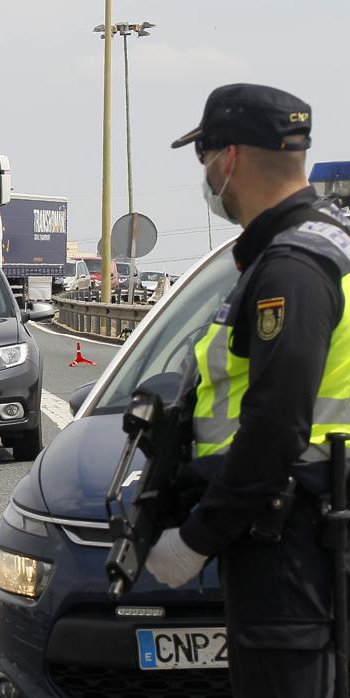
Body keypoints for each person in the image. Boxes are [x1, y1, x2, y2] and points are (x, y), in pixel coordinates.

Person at [146, 84, 350, 697]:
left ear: (228, 157)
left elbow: (276, 423)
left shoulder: (292, 266)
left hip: (290, 539)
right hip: (308, 525)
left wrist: (198, 537)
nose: (206, 174)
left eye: (204, 156)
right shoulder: (325, 243)